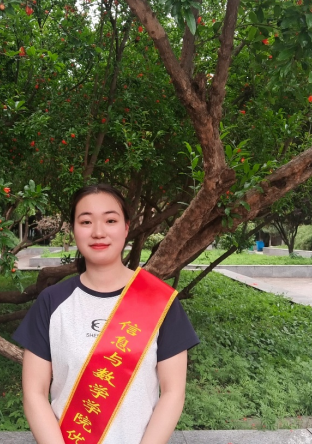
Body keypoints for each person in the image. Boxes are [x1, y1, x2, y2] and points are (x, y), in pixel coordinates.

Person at [12, 184, 199, 444]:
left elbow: (173, 393)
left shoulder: (160, 301)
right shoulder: (51, 302)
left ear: (126, 227)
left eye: (110, 220)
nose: (98, 232)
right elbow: (34, 392)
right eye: (86, 221)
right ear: (74, 230)